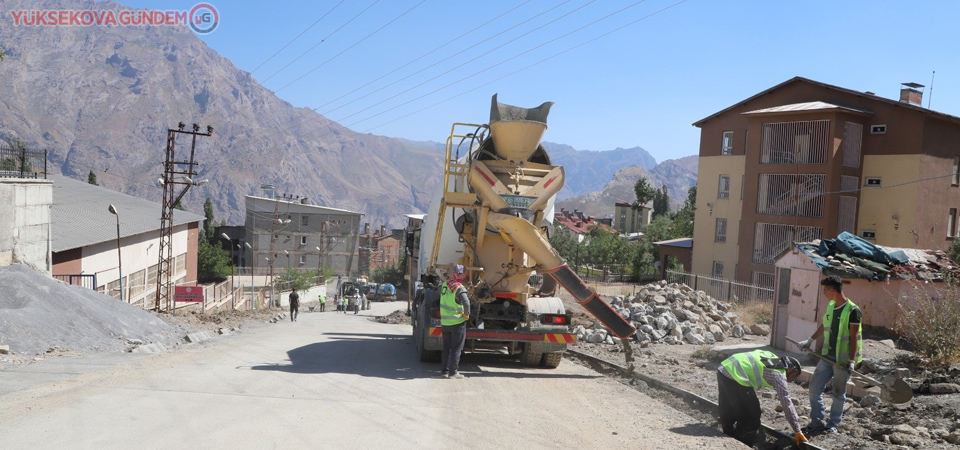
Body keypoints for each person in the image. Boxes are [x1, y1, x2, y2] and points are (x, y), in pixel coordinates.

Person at [797, 275, 863, 435]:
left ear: (832, 290)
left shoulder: (853, 310)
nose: (824, 293)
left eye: (825, 290)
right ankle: (817, 422)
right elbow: (824, 325)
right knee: (814, 388)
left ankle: (832, 424)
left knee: (838, 393)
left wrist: (852, 361)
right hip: (827, 357)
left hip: (843, 360)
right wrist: (810, 340)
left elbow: (853, 337)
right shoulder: (832, 306)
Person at [717, 350, 807, 447]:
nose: (791, 379)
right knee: (752, 416)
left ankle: (727, 436)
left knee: (729, 407)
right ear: (790, 368)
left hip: (724, 368)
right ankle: (743, 445)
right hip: (736, 375)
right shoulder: (779, 375)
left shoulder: (771, 356)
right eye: (793, 375)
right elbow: (786, 403)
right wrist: (797, 430)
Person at [440, 264, 470, 379]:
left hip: (445, 323)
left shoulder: (444, 285)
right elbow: (466, 303)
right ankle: (453, 373)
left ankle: (444, 371)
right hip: (457, 322)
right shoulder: (460, 288)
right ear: (462, 275)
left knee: (446, 348)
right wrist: (466, 314)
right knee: (456, 348)